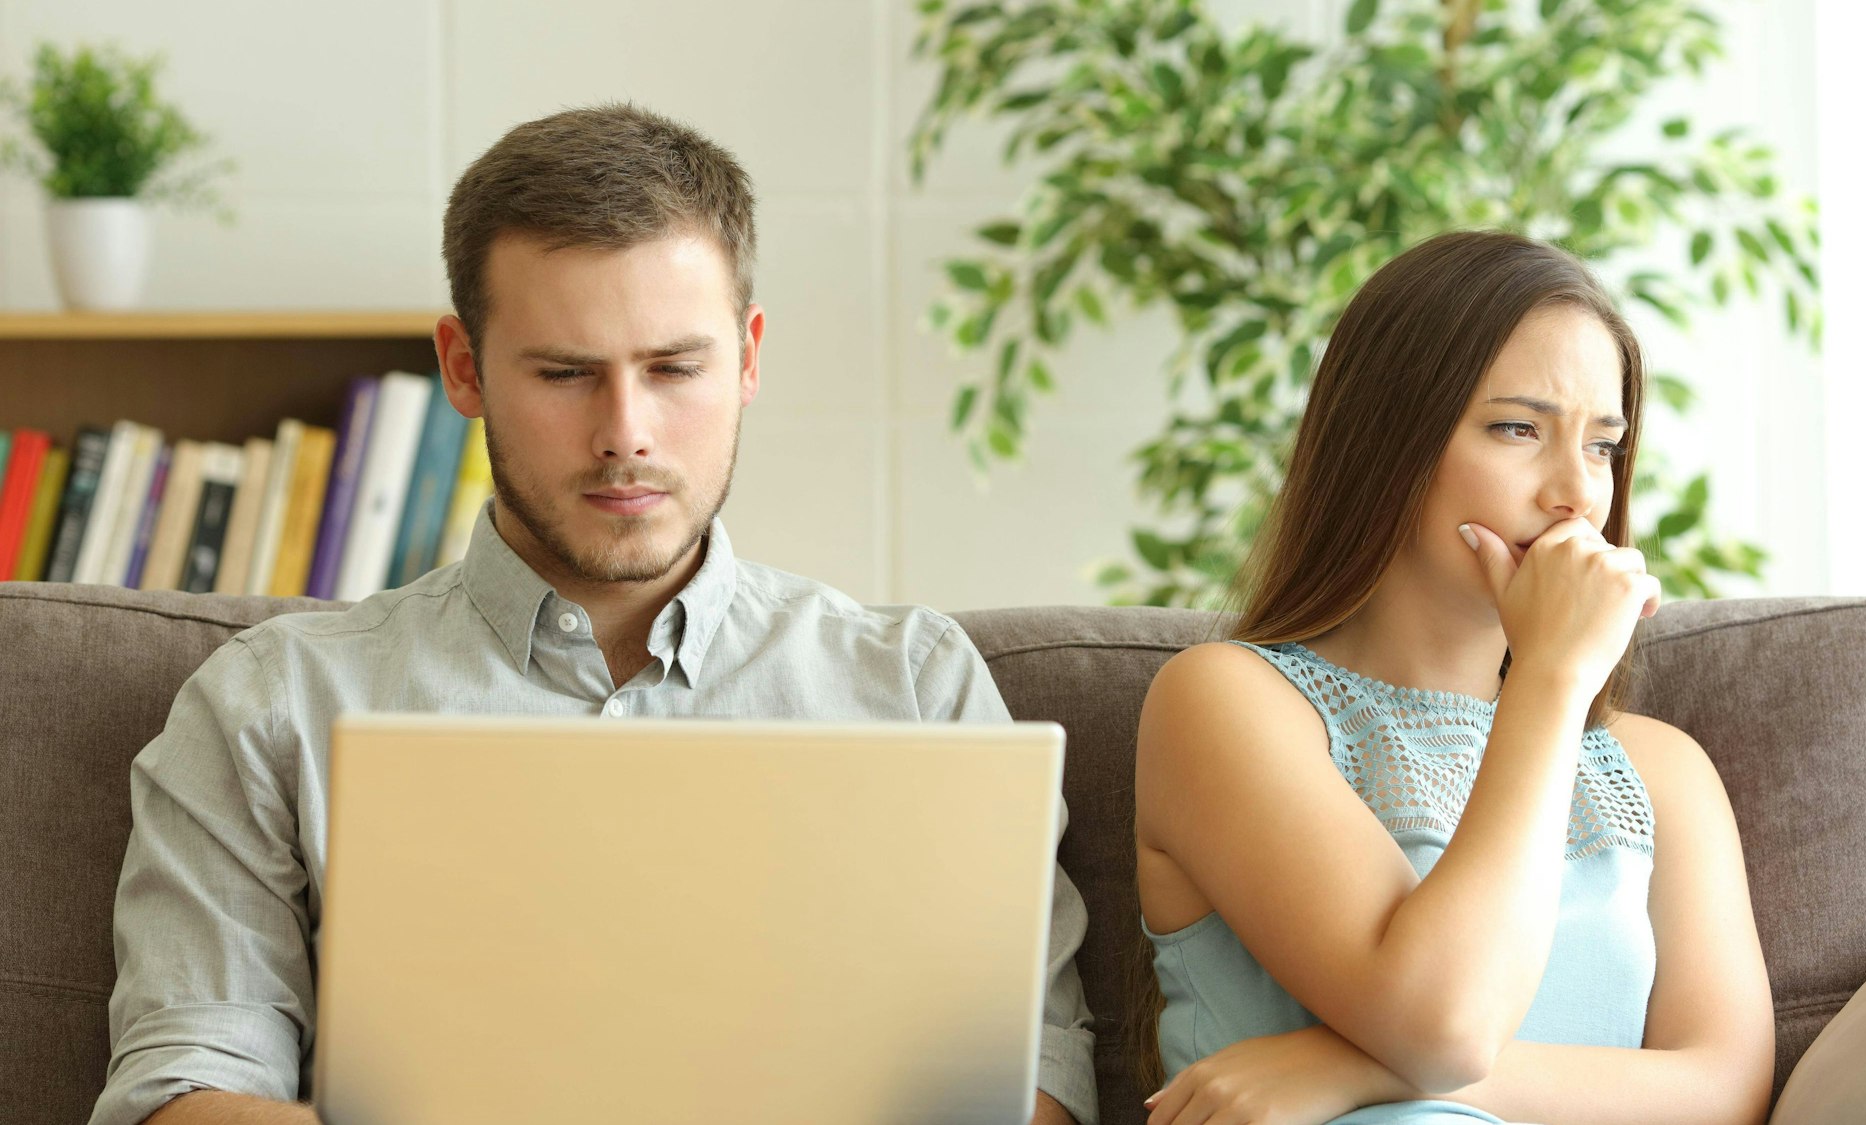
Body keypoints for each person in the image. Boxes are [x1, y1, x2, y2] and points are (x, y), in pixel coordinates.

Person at [89, 103, 1096, 1125]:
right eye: (566, 374)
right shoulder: (271, 702)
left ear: (747, 358)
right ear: (463, 367)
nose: (626, 432)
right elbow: (185, 1092)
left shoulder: (914, 687)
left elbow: (1033, 1091)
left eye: (673, 368)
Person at [1131, 231, 1773, 1125]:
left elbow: (1724, 1089)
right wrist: (1550, 677)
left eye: (1602, 445)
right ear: (1388, 441)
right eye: (1518, 428)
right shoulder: (1228, 703)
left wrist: (1349, 1066)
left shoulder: (1661, 771)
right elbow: (1441, 1023)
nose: (1577, 494)